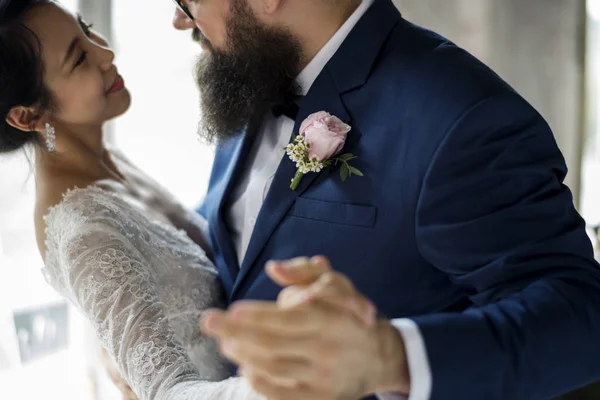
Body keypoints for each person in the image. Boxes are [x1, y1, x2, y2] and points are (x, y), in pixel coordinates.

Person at [166, 0, 600, 399]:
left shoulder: (463, 118)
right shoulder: (254, 75)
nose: (181, 18)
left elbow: (581, 315)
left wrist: (392, 358)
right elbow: (239, 235)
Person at [0, 0, 294, 398]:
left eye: (86, 28)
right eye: (79, 58)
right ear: (28, 117)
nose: (106, 53)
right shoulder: (83, 231)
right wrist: (309, 383)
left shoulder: (105, 159)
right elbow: (168, 392)